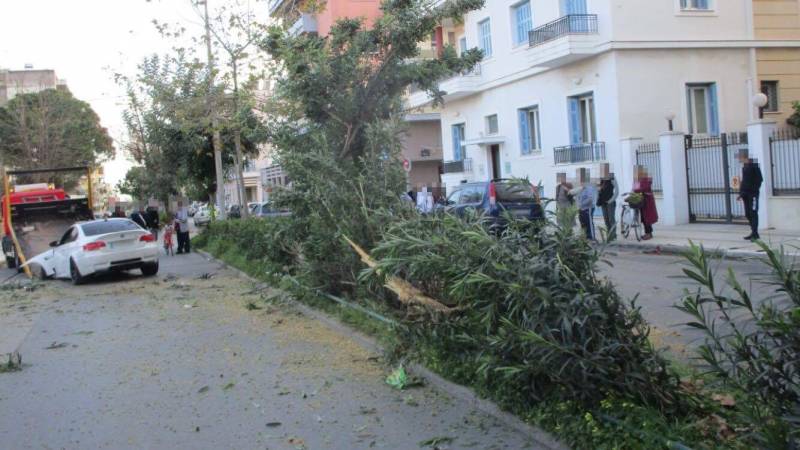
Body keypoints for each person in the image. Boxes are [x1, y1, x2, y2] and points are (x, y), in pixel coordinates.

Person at [737, 149, 763, 241]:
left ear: (744, 156)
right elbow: (744, 181)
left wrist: (754, 191)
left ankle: (755, 234)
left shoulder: (754, 165)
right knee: (747, 214)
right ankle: (753, 232)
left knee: (753, 213)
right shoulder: (744, 166)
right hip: (745, 194)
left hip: (753, 194)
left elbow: (759, 179)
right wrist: (740, 193)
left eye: (739, 157)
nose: (738, 159)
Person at [633, 166, 659, 241]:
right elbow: (635, 187)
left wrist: (637, 190)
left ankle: (649, 233)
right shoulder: (637, 179)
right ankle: (647, 233)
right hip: (641, 199)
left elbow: (645, 187)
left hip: (647, 201)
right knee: (643, 217)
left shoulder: (646, 178)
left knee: (646, 218)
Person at [596, 164, 619, 241]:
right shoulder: (601, 178)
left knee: (611, 219)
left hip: (610, 202)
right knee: (606, 219)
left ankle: (613, 235)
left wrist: (611, 200)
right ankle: (609, 235)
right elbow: (598, 188)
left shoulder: (612, 177)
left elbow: (617, 190)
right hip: (603, 202)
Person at [573, 168, 597, 241]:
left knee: (589, 223)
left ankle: (592, 238)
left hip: (588, 208)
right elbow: (577, 197)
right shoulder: (580, 186)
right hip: (581, 208)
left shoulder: (589, 186)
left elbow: (590, 199)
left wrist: (581, 204)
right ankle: (585, 238)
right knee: (583, 223)